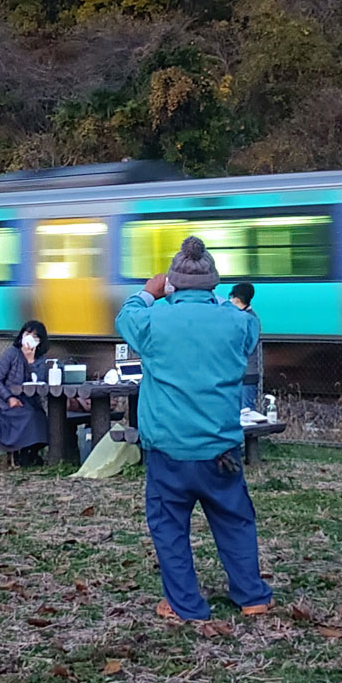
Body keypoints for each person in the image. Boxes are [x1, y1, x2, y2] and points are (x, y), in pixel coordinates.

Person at [116, 236, 271, 622]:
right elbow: (249, 328)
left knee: (169, 528)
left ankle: (185, 604)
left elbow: (124, 319)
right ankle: (252, 596)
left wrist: (148, 293)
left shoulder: (153, 320)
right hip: (221, 449)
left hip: (168, 449)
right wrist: (215, 303)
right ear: (214, 284)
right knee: (234, 521)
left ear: (172, 283)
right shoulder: (238, 322)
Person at [0, 320, 49, 466]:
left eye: (35, 336)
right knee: (29, 416)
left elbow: (39, 382)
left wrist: (30, 361)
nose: (30, 338)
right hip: (8, 404)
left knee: (40, 416)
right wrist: (9, 398)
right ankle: (20, 453)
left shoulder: (40, 360)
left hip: (30, 403)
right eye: (28, 333)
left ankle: (30, 453)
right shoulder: (11, 353)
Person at [227, 282, 263, 416]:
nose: (230, 300)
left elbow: (243, 346)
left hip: (246, 374)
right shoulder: (249, 318)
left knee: (246, 413)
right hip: (241, 373)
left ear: (237, 298)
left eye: (231, 297)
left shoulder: (248, 319)